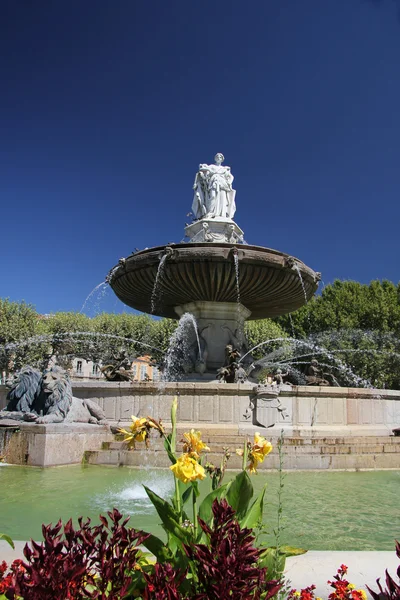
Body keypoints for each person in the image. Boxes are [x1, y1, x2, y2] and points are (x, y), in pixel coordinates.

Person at [192, 153, 236, 219]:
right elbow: (202, 171)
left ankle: (221, 214)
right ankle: (210, 212)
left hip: (222, 184)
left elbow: (231, 177)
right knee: (212, 196)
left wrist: (229, 182)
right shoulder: (211, 166)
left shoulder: (224, 168)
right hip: (213, 182)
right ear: (215, 158)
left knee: (222, 198)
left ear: (222, 159)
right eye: (217, 156)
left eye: (220, 157)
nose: (219, 157)